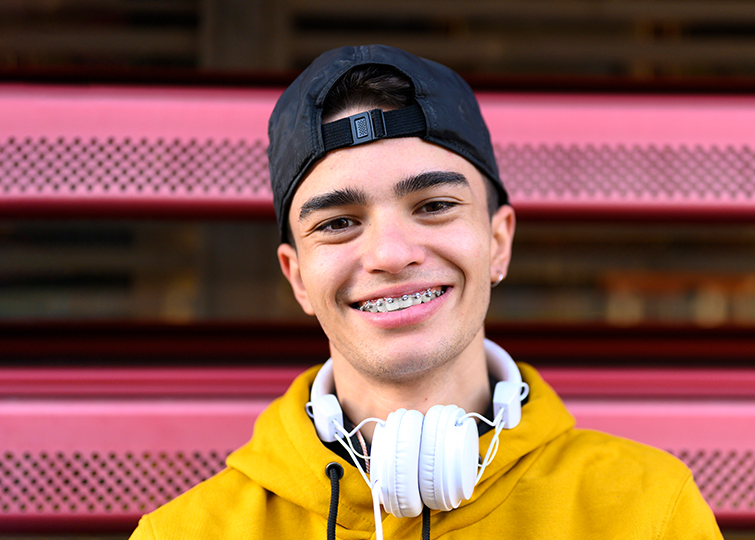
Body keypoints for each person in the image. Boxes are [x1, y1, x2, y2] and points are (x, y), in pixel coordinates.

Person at [129, 44, 722, 540]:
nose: (390, 253)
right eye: (338, 223)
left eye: (434, 206)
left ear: (499, 241)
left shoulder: (648, 511)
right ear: (297, 277)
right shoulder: (184, 532)